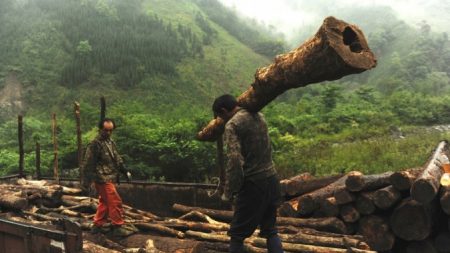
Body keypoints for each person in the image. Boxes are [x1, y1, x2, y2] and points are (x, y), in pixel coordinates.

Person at [212, 94, 284, 253]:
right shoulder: (259, 116)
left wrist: (229, 192)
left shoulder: (233, 125)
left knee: (237, 234)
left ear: (224, 111)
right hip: (272, 179)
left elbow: (235, 161)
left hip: (253, 184)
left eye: (220, 116)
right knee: (271, 230)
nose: (221, 119)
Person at [82, 118, 134, 237]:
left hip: (110, 176)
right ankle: (117, 226)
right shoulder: (95, 144)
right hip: (101, 178)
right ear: (100, 129)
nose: (109, 133)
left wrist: (125, 171)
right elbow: (88, 164)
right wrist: (87, 182)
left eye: (111, 130)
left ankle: (98, 225)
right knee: (115, 201)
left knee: (105, 202)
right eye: (106, 130)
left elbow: (117, 158)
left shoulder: (110, 142)